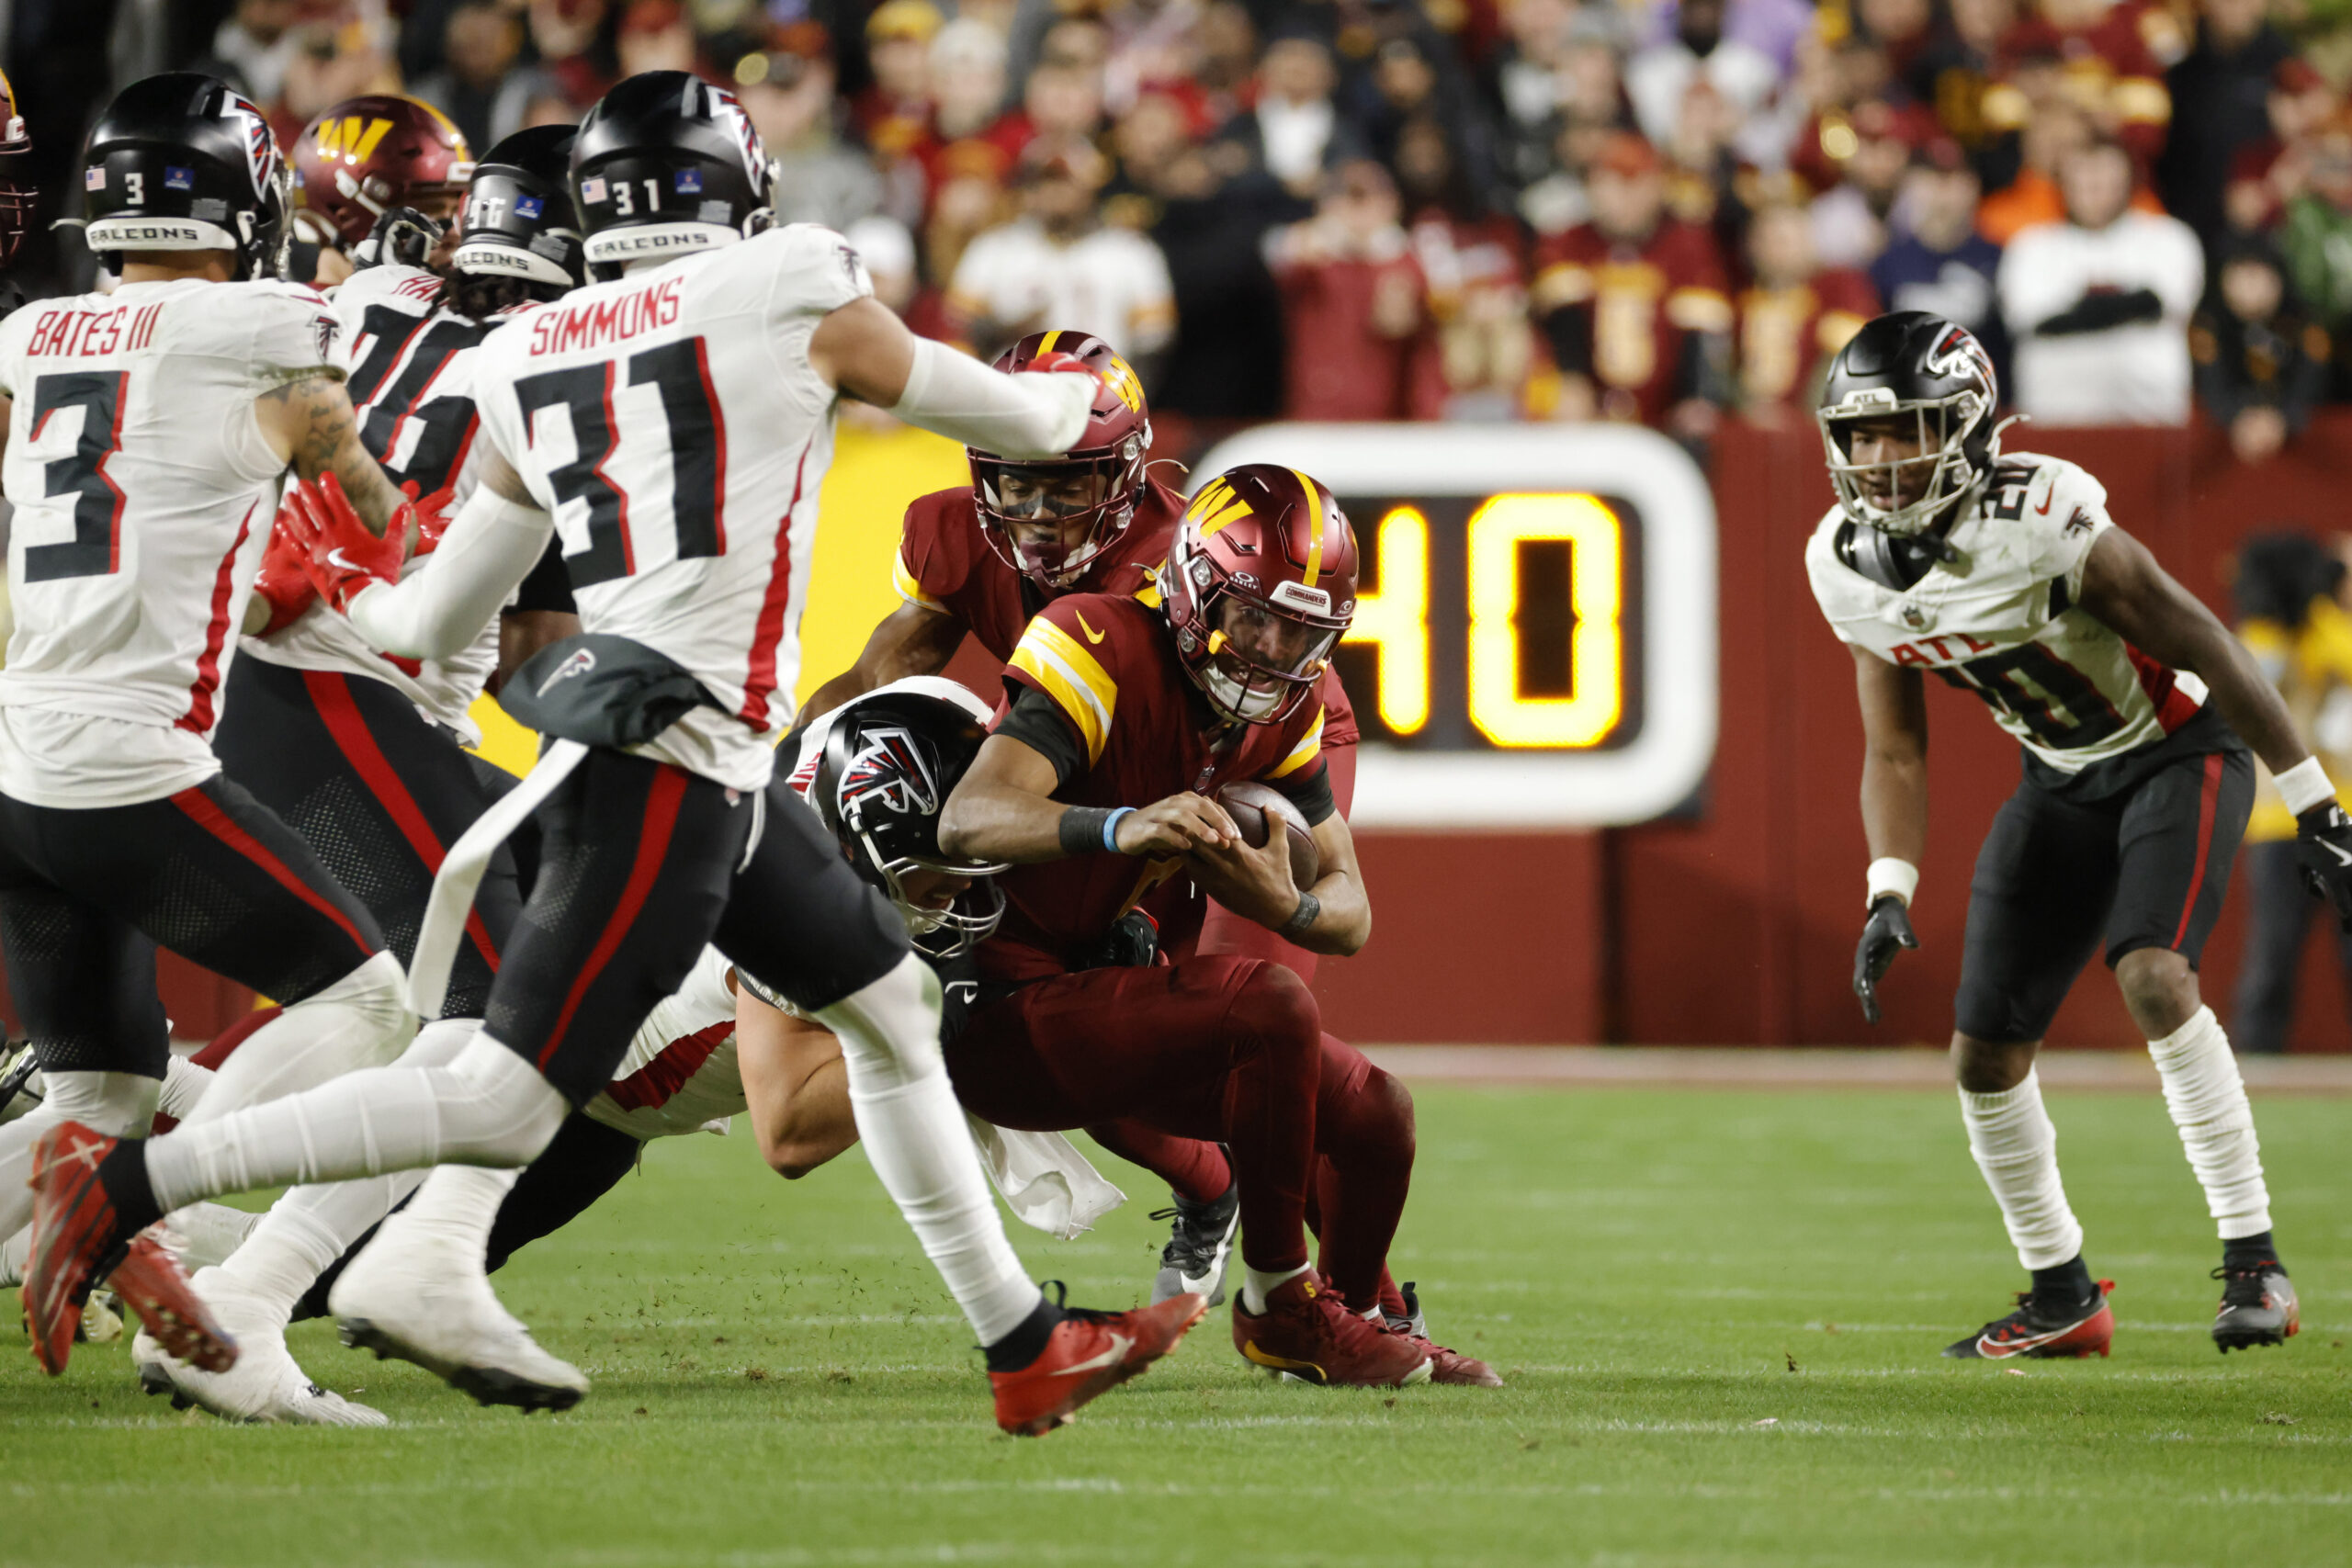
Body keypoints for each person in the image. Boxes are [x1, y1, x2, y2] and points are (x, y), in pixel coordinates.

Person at [25, 71, 1204, 1440]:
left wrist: (331, 590)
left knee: (889, 1008)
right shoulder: (788, 281)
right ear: (736, 186)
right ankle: (125, 1192)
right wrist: (1089, 417)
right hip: (673, 759)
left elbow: (431, 619)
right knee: (496, 1085)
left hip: (705, 755)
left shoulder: (527, 355)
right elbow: (1016, 420)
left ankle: (1024, 1342)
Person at [142, 681, 1129, 1422]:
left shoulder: (864, 829)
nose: (958, 895)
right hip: (575, 1082)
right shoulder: (802, 890)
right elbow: (786, 1127)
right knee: (409, 1120)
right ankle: (138, 1178)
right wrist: (967, 1025)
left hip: (607, 1121)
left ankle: (164, 1239)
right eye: (932, 871)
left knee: (362, 1265)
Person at [133, 127, 592, 1425]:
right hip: (336, 687)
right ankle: (242, 1298)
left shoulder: (368, 300)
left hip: (237, 672)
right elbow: (502, 636)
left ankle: (137, 1205)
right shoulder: (568, 369)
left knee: (387, 1001)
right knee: (498, 1008)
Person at [1812, 310, 2345, 1360]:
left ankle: (2255, 1264)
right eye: (1860, 435)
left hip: (2176, 748)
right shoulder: (1843, 562)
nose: (1878, 460)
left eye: (1905, 430)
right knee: (1982, 1054)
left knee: (2152, 973)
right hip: (2060, 776)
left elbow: (2205, 640)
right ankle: (2060, 1293)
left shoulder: (2043, 515)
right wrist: (1889, 886)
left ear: (1965, 425)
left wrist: (2318, 802)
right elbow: (1895, 750)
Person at [795, 328, 1365, 1300]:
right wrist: (791, 763)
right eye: (1014, 480)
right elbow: (878, 676)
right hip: (1099, 780)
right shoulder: (949, 530)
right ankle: (1208, 1193)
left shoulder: (1178, 565)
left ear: (1132, 470)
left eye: (1070, 482)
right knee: (1067, 1022)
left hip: (1245, 749)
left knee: (1258, 1033)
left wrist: (1141, 882)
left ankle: (1354, 1294)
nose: (1038, 508)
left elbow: (1206, 723)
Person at [0, 73, 425, 1376]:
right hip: (131, 759)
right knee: (371, 1000)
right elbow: (376, 512)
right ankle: (132, 1199)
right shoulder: (269, 323)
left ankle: (218, 1363)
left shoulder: (30, 334)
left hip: (17, 761)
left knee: (102, 1089)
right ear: (240, 197)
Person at [937, 464, 1476, 1388]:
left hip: (1101, 984)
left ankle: (1344, 1321)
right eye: (1255, 617)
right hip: (996, 999)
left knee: (1377, 1113)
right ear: (1193, 587)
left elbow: (1347, 917)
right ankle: (1280, 1307)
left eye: (1299, 632)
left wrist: (1284, 903)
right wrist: (1120, 824)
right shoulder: (1099, 639)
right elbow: (970, 819)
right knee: (1264, 1004)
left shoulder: (1286, 708)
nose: (1270, 653)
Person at [2228, 534, 2352, 1055]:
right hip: (2282, 823)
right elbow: (2259, 684)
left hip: (2340, 816)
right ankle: (2257, 1063)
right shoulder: (2261, 635)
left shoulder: (2332, 630)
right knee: (2272, 954)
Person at [1996, 137, 2204, 425]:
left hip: (2149, 417)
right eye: (2083, 174)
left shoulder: (2169, 238)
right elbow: (2030, 319)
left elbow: (2165, 304)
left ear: (2131, 181)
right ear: (2061, 182)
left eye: (2106, 174)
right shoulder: (2031, 246)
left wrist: (2074, 311)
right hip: (2055, 419)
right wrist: (2129, 305)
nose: (2094, 184)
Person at [287, 95, 475, 287]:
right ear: (345, 217)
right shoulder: (305, 315)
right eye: (429, 213)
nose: (455, 235)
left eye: (455, 211)